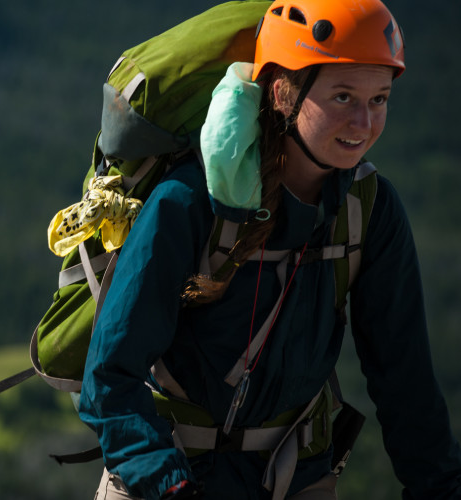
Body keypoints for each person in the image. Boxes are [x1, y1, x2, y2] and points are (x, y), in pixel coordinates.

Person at [77, 0, 461, 499]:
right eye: (343, 96)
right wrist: (167, 484)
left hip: (294, 479)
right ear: (282, 93)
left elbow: (405, 384)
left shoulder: (370, 210)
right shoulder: (190, 201)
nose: (363, 123)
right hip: (169, 479)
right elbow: (109, 377)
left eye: (380, 99)